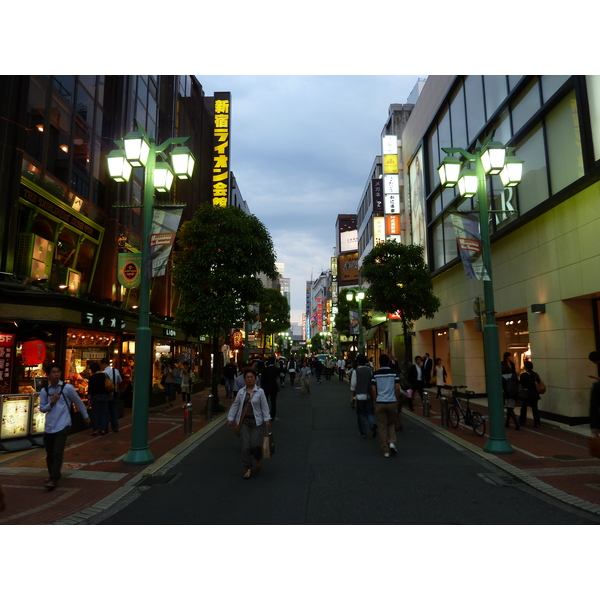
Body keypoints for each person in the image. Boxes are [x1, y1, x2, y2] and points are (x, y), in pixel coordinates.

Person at [39, 363, 90, 490]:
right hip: (50, 426)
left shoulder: (68, 388)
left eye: (58, 371)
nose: (56, 374)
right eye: (53, 372)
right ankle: (54, 474)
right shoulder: (45, 391)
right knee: (50, 453)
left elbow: (78, 401)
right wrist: (52, 402)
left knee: (57, 452)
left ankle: (53, 478)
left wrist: (86, 416)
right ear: (48, 375)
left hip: (63, 424)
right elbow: (42, 408)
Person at [227, 369, 271, 479]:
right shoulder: (241, 392)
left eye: (252, 377)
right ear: (244, 379)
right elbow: (235, 405)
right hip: (244, 421)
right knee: (245, 446)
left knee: (254, 444)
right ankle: (247, 468)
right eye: (247, 377)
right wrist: (230, 419)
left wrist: (267, 419)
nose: (250, 379)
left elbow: (264, 406)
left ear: (255, 379)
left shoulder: (260, 392)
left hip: (256, 421)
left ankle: (258, 457)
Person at [371, 354, 401, 457]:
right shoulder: (394, 373)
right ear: (388, 362)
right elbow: (397, 388)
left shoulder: (375, 374)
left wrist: (375, 400)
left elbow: (373, 389)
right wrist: (397, 399)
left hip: (380, 401)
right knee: (391, 423)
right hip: (392, 401)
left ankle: (385, 450)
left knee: (382, 426)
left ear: (379, 362)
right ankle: (392, 442)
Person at [351, 354, 377, 438]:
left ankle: (363, 432)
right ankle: (372, 423)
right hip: (368, 395)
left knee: (361, 414)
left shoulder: (356, 371)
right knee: (369, 412)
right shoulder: (370, 370)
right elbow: (373, 382)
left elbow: (353, 385)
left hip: (359, 395)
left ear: (358, 362)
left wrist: (352, 397)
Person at [101, 357, 121, 433]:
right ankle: (115, 427)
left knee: (105, 411)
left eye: (101, 365)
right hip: (114, 393)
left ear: (104, 364)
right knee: (113, 411)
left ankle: (105, 428)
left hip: (105, 394)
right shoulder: (115, 371)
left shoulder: (103, 373)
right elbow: (120, 380)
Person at [88, 362, 110, 435]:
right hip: (104, 396)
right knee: (104, 413)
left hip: (95, 397)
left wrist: (89, 399)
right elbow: (108, 385)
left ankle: (96, 430)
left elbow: (90, 390)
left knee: (95, 413)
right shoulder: (105, 375)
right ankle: (103, 429)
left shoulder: (92, 378)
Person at [519, 360, 542, 427]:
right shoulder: (535, 374)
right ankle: (537, 423)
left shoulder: (523, 375)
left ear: (526, 367)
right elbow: (539, 382)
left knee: (524, 407)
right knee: (535, 408)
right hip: (535, 393)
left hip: (527, 393)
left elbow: (522, 384)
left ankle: (522, 420)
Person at [501, 352, 519, 430]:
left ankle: (509, 422)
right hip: (507, 386)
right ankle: (510, 422)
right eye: (509, 356)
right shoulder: (502, 364)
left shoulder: (511, 363)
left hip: (510, 386)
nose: (510, 358)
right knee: (509, 407)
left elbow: (514, 373)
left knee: (509, 407)